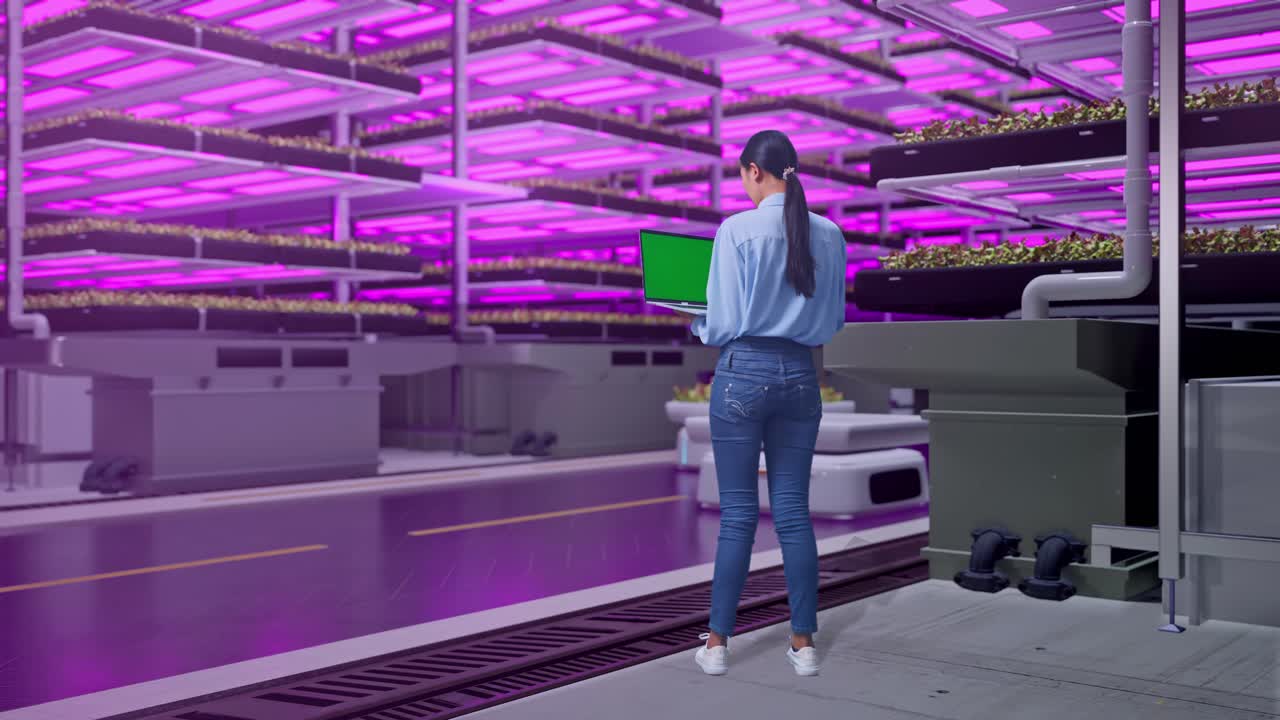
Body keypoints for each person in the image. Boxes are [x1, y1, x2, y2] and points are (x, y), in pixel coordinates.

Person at [688, 130, 847, 678]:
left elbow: (725, 322)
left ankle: (716, 647)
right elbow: (831, 322)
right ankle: (803, 646)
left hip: (742, 375)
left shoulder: (736, 229)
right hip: (802, 376)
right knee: (793, 515)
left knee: (737, 517)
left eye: (741, 174)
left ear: (754, 170)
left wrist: (697, 319)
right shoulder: (830, 234)